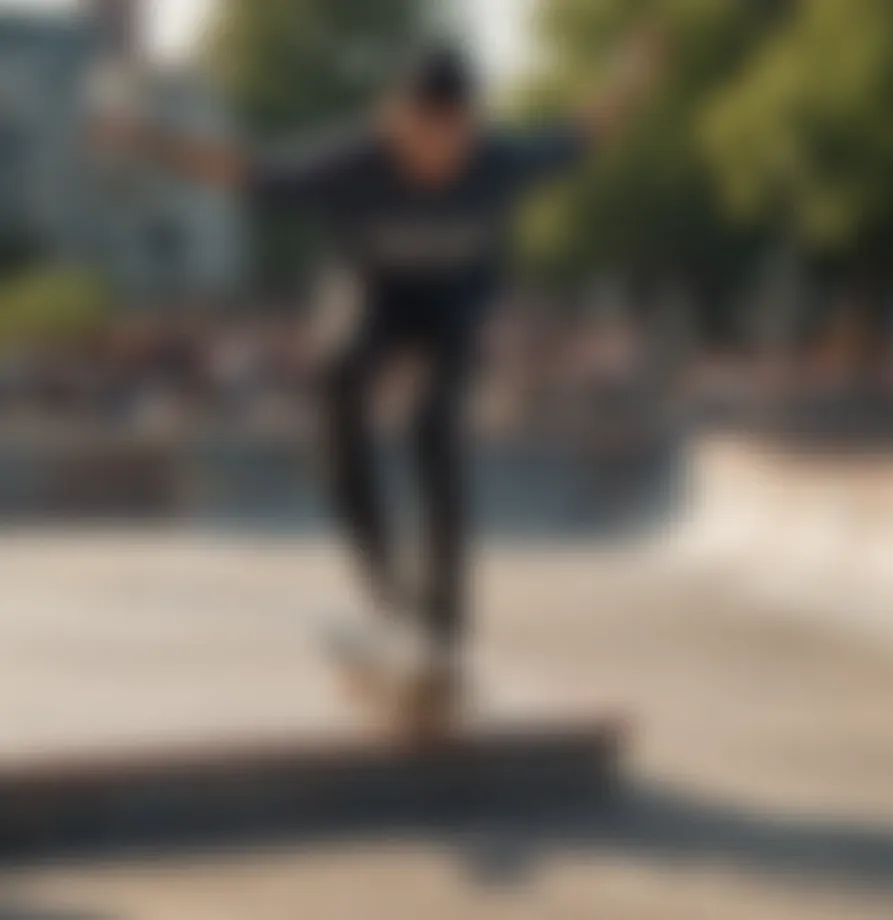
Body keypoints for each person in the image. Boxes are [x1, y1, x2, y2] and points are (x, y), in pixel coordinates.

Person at [94, 26, 666, 725]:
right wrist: (148, 139)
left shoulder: (499, 161)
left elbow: (583, 134)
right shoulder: (353, 164)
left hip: (451, 313)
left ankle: (446, 634)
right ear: (396, 119)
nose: (437, 155)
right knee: (339, 376)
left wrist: (635, 76)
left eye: (453, 138)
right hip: (372, 300)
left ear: (470, 126)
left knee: (437, 429)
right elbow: (247, 169)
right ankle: (385, 588)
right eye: (423, 136)